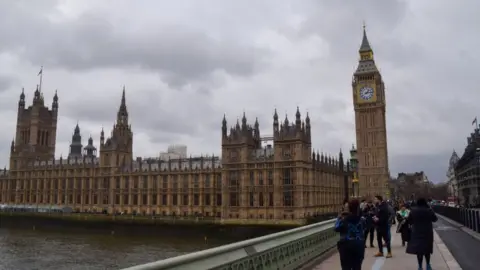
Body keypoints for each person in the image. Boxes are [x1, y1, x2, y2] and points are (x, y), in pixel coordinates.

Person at [406, 198, 438, 270]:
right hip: (427, 232)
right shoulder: (429, 210)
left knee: (419, 250)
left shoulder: (413, 211)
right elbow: (435, 219)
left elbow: (409, 221)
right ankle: (428, 265)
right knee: (427, 250)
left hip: (417, 232)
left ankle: (420, 266)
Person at [334, 199, 366, 270]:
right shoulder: (362, 220)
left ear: (348, 208)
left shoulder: (344, 220)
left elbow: (336, 228)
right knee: (357, 267)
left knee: (346, 267)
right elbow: (365, 227)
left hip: (346, 245)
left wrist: (339, 218)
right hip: (359, 245)